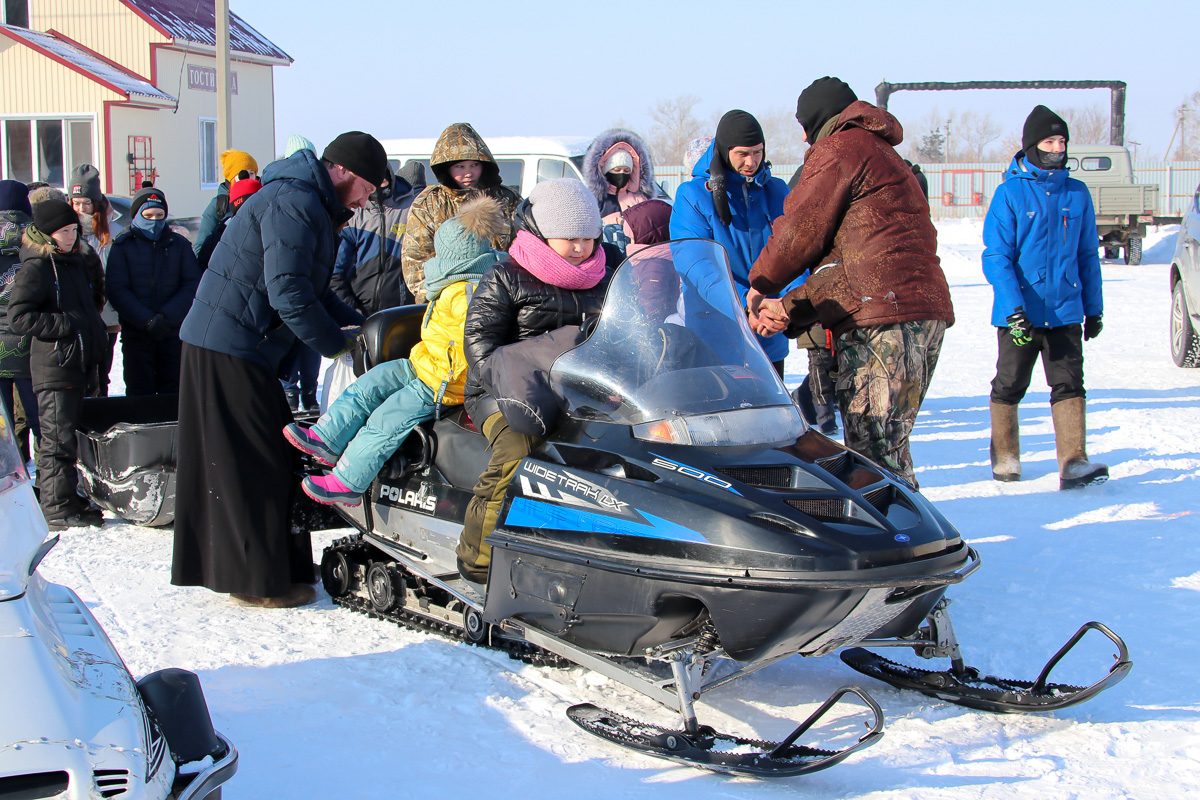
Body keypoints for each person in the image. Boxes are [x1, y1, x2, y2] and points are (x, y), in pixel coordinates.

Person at [172, 131, 384, 608]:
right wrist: (337, 346)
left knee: (272, 457)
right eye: (369, 187)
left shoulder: (308, 202)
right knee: (253, 463)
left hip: (242, 345)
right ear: (344, 171)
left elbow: (314, 289)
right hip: (226, 345)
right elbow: (287, 290)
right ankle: (254, 582)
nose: (369, 198)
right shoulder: (296, 201)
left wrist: (367, 325)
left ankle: (278, 568)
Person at [748, 77, 954, 488]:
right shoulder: (885, 156)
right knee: (886, 447)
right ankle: (906, 540)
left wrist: (761, 284)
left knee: (874, 455)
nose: (804, 137)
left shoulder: (841, 147)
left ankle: (900, 546)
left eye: (805, 125)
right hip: (920, 311)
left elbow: (800, 230)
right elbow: (848, 269)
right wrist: (789, 307)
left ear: (821, 119)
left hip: (882, 317)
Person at [284, 197, 508, 506]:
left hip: (443, 383)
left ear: (453, 260)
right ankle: (327, 437)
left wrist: (442, 383)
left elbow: (472, 348)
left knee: (387, 419)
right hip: (425, 364)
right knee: (370, 383)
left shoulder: (468, 295)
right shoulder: (457, 285)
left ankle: (348, 481)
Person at [456, 178, 613, 585]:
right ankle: (479, 557)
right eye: (569, 238)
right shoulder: (506, 276)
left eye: (588, 238)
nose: (581, 248)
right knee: (517, 451)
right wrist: (512, 387)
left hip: (580, 390)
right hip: (503, 392)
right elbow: (479, 342)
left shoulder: (606, 272)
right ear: (542, 233)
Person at [982, 105, 1107, 490]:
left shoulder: (1077, 193)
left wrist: (1094, 308)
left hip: (1065, 309)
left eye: (1062, 141)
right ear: (1032, 146)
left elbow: (1088, 254)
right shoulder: (1010, 194)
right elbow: (996, 256)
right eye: (1049, 141)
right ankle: (1006, 456)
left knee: (1070, 384)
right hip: (1021, 313)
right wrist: (1012, 308)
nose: (1057, 148)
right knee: (1010, 384)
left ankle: (1074, 461)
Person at [7, 199, 107, 528]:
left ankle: (69, 497)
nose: (70, 237)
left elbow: (89, 305)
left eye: (74, 231)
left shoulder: (75, 262)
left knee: (71, 437)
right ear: (47, 234)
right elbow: (20, 316)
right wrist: (65, 326)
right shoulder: (36, 267)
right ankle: (56, 507)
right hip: (54, 365)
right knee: (56, 440)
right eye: (64, 232)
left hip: (80, 363)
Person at [670, 110, 791, 374]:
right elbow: (698, 265)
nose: (752, 161)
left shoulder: (777, 191)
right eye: (742, 154)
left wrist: (787, 304)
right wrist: (746, 303)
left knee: (771, 415)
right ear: (725, 151)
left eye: (758, 152)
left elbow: (795, 253)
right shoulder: (692, 196)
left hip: (769, 329)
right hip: (716, 332)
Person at [401, 123, 521, 302]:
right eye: (460, 166)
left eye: (474, 165)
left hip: (501, 296)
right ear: (446, 167)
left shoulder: (506, 199)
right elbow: (415, 257)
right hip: (446, 300)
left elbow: (522, 248)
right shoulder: (429, 202)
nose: (469, 173)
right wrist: (433, 295)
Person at [106, 186, 201, 396]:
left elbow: (191, 284)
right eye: (148, 216)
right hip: (137, 334)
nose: (154, 221)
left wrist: (167, 316)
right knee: (140, 393)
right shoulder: (123, 246)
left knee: (174, 392)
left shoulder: (179, 245)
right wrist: (146, 320)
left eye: (160, 215)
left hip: (173, 332)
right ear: (137, 215)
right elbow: (117, 289)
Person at [332, 161, 426, 316]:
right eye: (372, 180)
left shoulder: (412, 209)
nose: (377, 185)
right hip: (360, 309)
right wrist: (352, 311)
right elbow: (336, 272)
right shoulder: (353, 212)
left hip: (403, 309)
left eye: (382, 179)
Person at [68, 164, 121, 396]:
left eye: (86, 203)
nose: (81, 208)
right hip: (77, 313)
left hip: (107, 312)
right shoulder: (66, 230)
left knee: (103, 372)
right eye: (76, 202)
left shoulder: (113, 230)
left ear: (96, 202)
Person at [0, 180, 38, 462]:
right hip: (30, 343)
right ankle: (48, 483)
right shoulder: (37, 240)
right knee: (40, 421)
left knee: (3, 428)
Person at [582, 129, 660, 254]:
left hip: (634, 258)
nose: (621, 174)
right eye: (617, 170)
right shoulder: (595, 199)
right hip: (604, 255)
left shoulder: (640, 199)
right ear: (605, 171)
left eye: (626, 170)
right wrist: (614, 221)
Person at [193, 149, 259, 257]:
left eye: (252, 173)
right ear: (231, 178)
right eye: (242, 174)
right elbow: (201, 248)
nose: (247, 178)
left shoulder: (263, 200)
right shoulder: (219, 206)